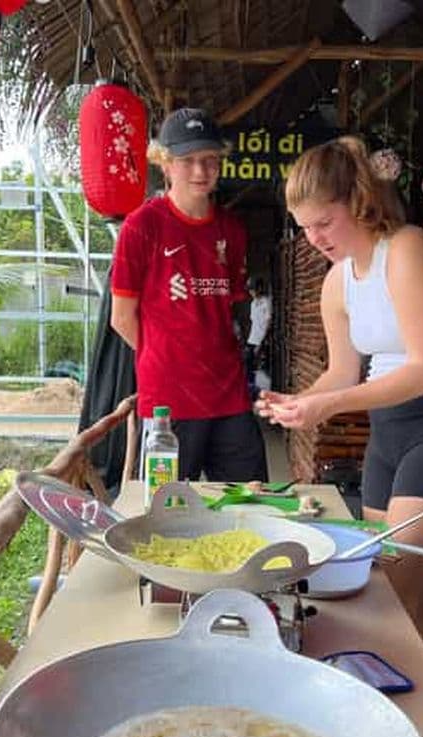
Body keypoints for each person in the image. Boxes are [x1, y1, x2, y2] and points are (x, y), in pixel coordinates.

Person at [256, 136, 423, 679]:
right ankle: (412, 709)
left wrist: (330, 406)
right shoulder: (339, 280)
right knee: (388, 595)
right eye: (304, 227)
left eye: (324, 223)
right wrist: (299, 402)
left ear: (358, 202)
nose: (314, 239)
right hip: (389, 431)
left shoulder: (406, 249)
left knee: (401, 598)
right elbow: (342, 371)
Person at [110, 107, 268, 483]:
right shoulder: (141, 226)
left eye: (210, 160)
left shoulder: (232, 230)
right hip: (170, 400)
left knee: (250, 501)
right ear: (165, 163)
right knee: (167, 511)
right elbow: (121, 318)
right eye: (187, 161)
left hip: (229, 394)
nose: (200, 171)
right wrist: (168, 357)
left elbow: (226, 307)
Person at [245, 276, 271, 399]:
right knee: (248, 368)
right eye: (250, 290)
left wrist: (261, 342)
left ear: (259, 288)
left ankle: (264, 394)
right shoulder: (252, 304)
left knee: (262, 368)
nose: (252, 292)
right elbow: (253, 323)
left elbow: (268, 322)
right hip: (252, 340)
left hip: (261, 340)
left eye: (253, 289)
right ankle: (253, 395)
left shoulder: (266, 302)